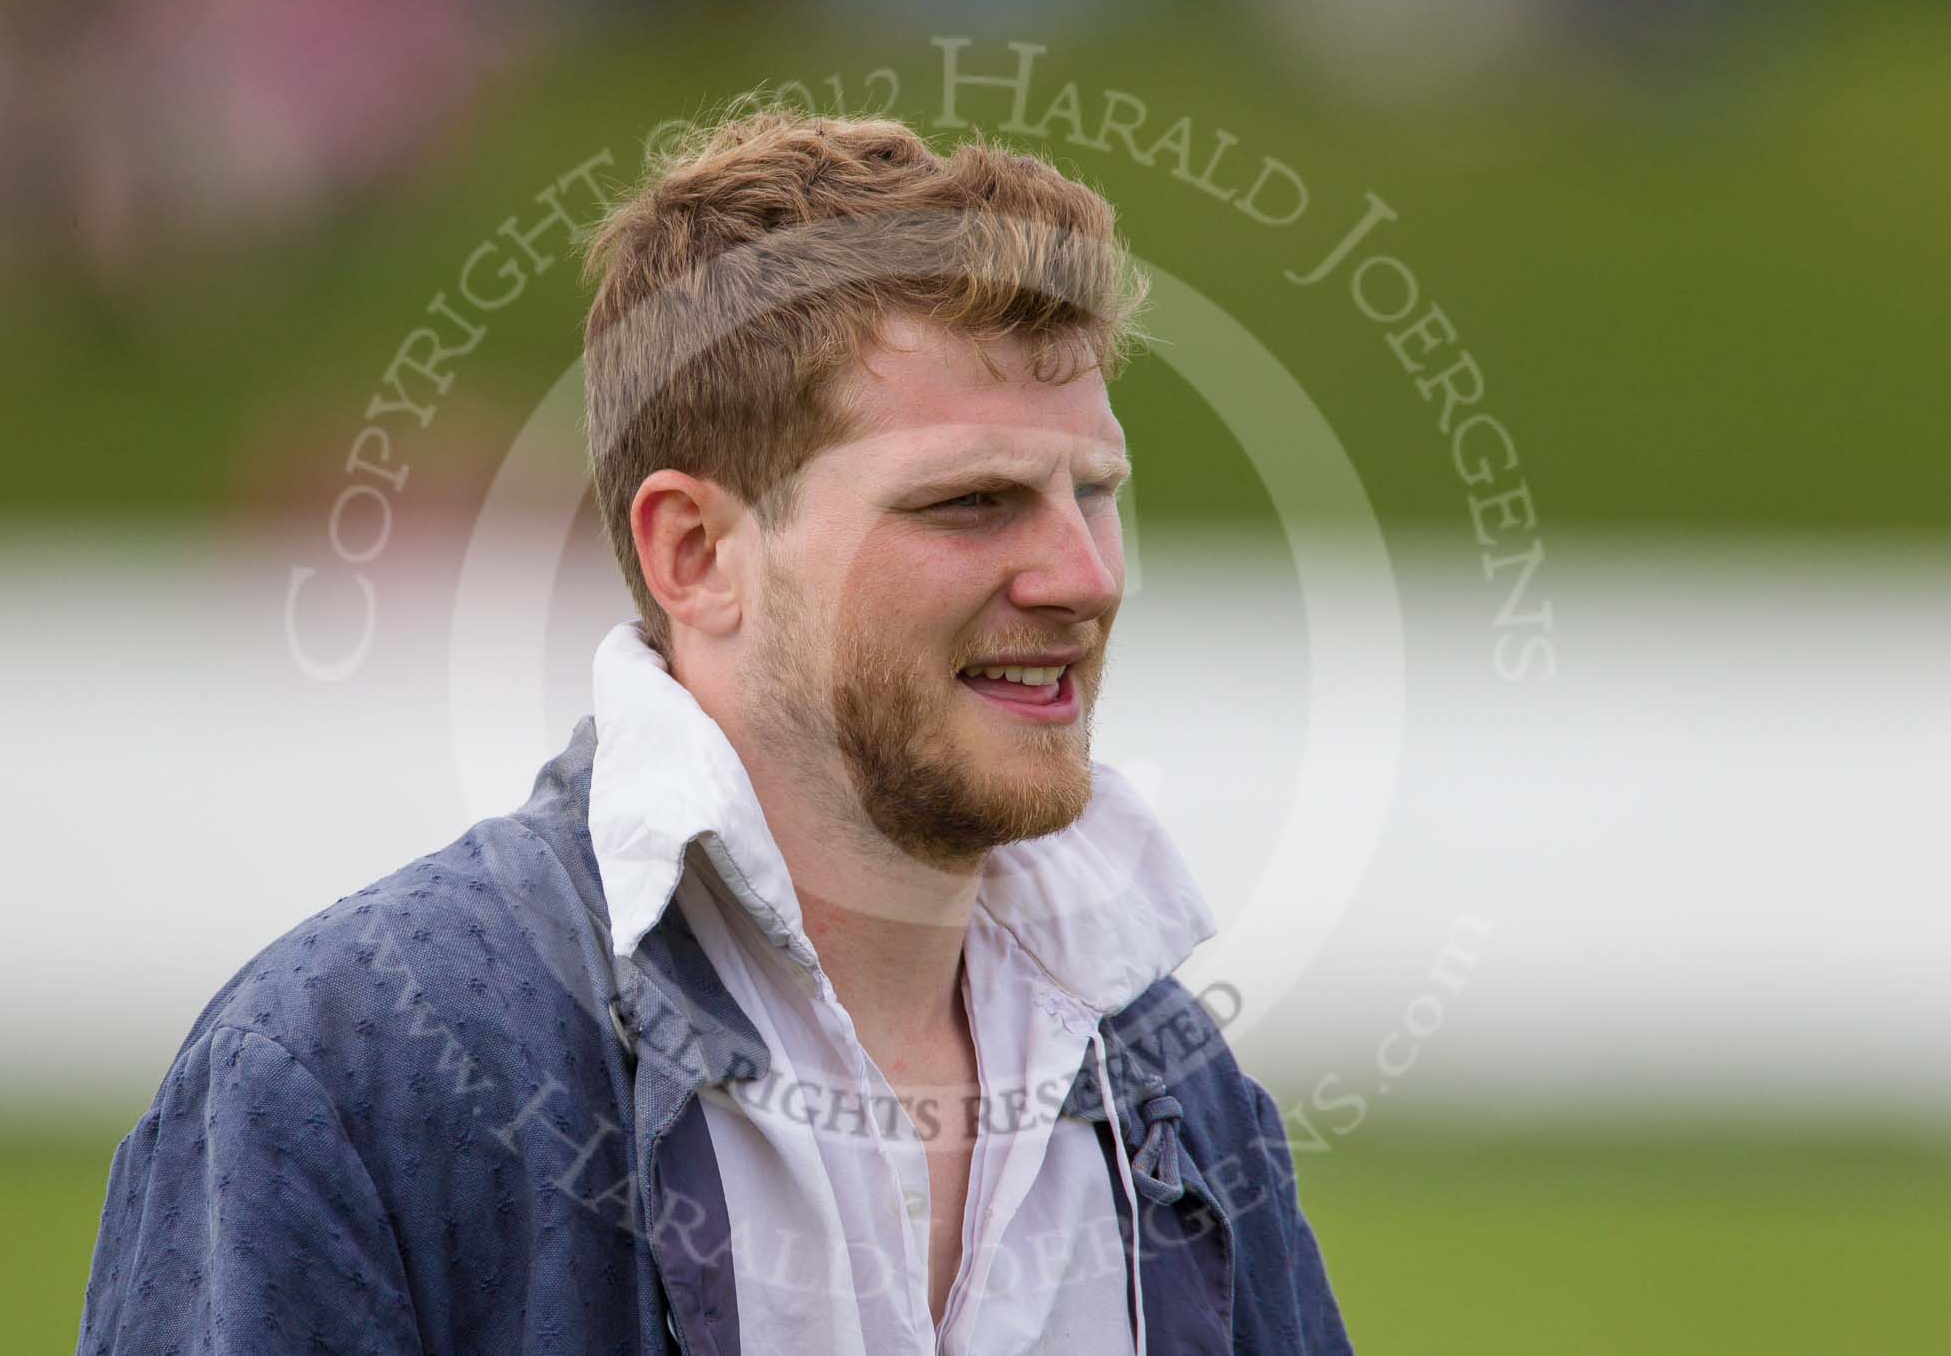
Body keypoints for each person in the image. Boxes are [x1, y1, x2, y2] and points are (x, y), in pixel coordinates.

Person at [78, 108, 1351, 1355]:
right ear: (694, 555)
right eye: (972, 502)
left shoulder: (1173, 1092)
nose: (1080, 576)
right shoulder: (352, 1074)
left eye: (1092, 493)